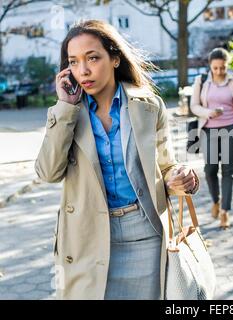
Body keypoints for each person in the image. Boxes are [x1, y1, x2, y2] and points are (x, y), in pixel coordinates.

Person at [35, 20, 199, 300]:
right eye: (73, 62)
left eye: (93, 58)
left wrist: (180, 177)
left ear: (114, 58)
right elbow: (48, 173)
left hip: (144, 234)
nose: (83, 70)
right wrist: (65, 108)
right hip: (87, 236)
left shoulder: (148, 106)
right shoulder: (68, 113)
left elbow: (166, 166)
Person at [190, 48, 233, 229]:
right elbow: (194, 106)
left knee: (228, 169)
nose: (219, 71)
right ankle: (215, 201)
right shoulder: (201, 81)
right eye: (216, 68)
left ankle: (225, 211)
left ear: (227, 65)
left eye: (222, 68)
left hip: (231, 128)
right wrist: (209, 112)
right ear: (210, 66)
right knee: (210, 169)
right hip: (208, 129)